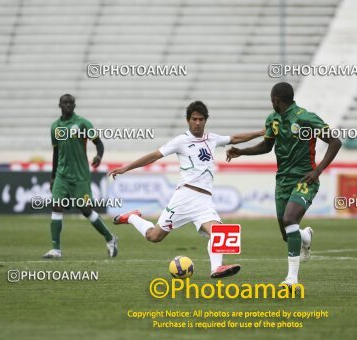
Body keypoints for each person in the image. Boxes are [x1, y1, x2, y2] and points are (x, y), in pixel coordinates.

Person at [108, 101, 264, 278]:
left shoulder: (212, 138)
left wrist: (259, 132)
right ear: (188, 120)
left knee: (219, 232)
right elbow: (154, 156)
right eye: (194, 119)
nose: (197, 123)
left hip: (204, 201)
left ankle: (216, 268)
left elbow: (234, 138)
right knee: (154, 236)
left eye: (201, 119)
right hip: (185, 197)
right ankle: (133, 217)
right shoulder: (181, 141)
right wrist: (126, 168)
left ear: (206, 120)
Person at [226, 82, 342, 288]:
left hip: (304, 179)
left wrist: (317, 171)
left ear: (276, 100)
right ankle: (306, 236)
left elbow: (335, 142)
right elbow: (266, 146)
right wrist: (242, 151)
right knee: (287, 234)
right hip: (282, 180)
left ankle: (291, 279)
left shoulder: (305, 118)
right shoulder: (272, 119)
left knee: (290, 219)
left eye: (272, 100)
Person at [43, 94, 118, 259]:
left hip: (80, 176)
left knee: (85, 210)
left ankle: (110, 238)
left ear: (74, 105)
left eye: (70, 103)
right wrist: (53, 176)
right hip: (62, 175)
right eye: (65, 103)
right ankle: (56, 249)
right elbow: (56, 152)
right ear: (59, 105)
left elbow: (98, 142)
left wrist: (99, 156)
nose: (68, 105)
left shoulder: (83, 123)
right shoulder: (55, 126)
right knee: (56, 206)